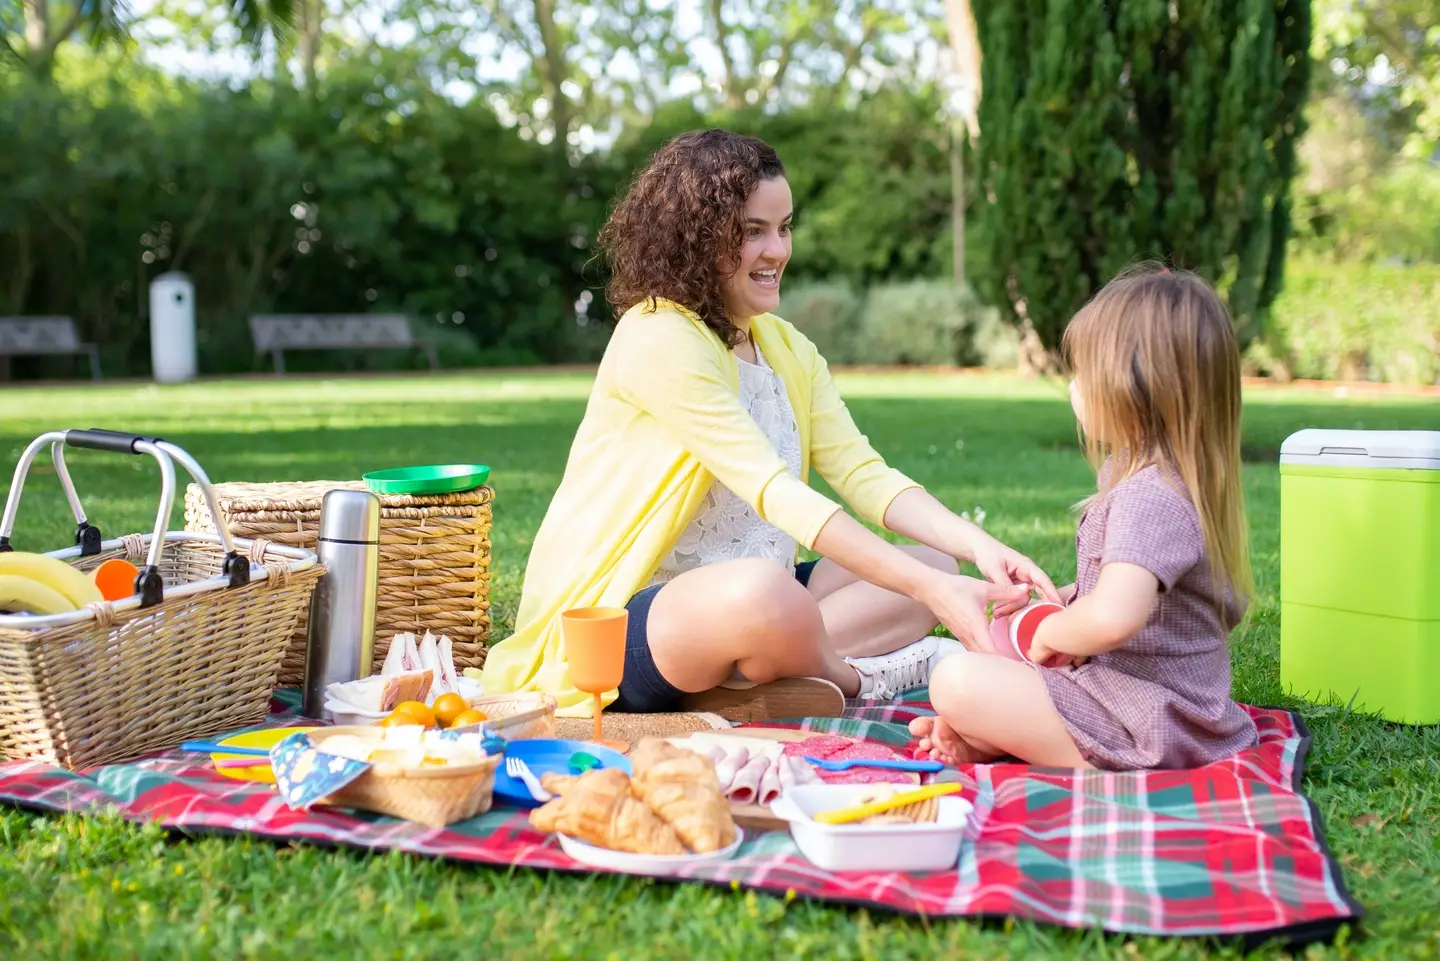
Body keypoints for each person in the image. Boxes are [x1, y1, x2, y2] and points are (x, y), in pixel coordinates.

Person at [481, 128, 1059, 720]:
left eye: (783, 228)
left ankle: (748, 681)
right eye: (753, 232)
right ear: (695, 240)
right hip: (628, 621)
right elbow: (777, 493)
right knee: (769, 594)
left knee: (933, 562)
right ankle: (856, 678)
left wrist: (979, 545)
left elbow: (864, 474)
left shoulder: (787, 347)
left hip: (766, 599)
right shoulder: (658, 336)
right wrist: (934, 597)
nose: (777, 250)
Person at [910, 265, 1260, 768]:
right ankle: (991, 739)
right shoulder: (1155, 479)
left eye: (1083, 371)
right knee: (994, 654)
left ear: (1134, 386)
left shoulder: (1151, 497)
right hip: (1133, 694)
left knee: (955, 680)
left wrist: (1053, 633)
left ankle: (1073, 754)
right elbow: (1132, 601)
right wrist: (1066, 601)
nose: (1073, 386)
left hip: (1154, 719)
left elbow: (1116, 617)